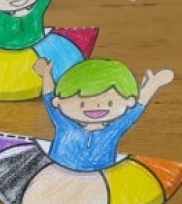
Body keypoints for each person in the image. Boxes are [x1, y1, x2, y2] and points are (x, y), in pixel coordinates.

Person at [34, 58, 173, 171]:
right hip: (56, 173)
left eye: (110, 103)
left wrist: (152, 86)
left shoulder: (114, 129)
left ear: (129, 101)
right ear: (58, 102)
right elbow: (48, 98)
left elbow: (135, 110)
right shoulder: (64, 123)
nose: (97, 107)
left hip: (99, 178)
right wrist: (46, 74)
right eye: (82, 104)